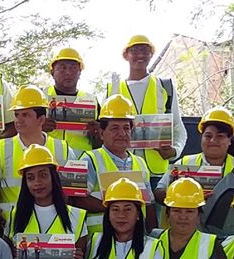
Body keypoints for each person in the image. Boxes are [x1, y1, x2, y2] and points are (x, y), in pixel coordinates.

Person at [155, 107, 234, 236]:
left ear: (230, 140)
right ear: (201, 138)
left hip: (229, 241)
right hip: (188, 240)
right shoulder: (183, 164)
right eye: (208, 136)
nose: (213, 140)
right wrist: (187, 197)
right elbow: (158, 193)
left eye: (220, 136)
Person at [106, 35, 186, 179]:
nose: (140, 55)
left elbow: (178, 128)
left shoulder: (164, 87)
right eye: (135, 51)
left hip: (157, 174)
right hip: (122, 170)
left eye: (145, 50)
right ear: (126, 55)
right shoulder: (113, 89)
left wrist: (174, 151)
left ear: (151, 55)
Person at [0, 85, 75, 215]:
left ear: (41, 119)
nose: (18, 120)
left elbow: (71, 196)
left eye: (25, 115)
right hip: (13, 223)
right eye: (16, 115)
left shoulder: (64, 149)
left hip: (51, 221)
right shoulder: (1, 150)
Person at [79, 94, 153, 236]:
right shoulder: (90, 159)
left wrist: (151, 234)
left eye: (126, 128)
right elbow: (78, 199)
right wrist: (116, 210)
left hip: (135, 240)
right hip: (100, 239)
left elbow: (148, 204)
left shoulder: (140, 163)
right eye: (114, 128)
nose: (122, 133)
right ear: (101, 133)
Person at [45, 47, 97, 156]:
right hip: (47, 160)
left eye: (73, 68)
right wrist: (37, 128)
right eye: (62, 68)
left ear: (80, 72)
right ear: (52, 72)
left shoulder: (92, 101)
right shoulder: (41, 97)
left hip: (82, 161)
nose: (68, 72)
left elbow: (102, 141)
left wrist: (98, 133)